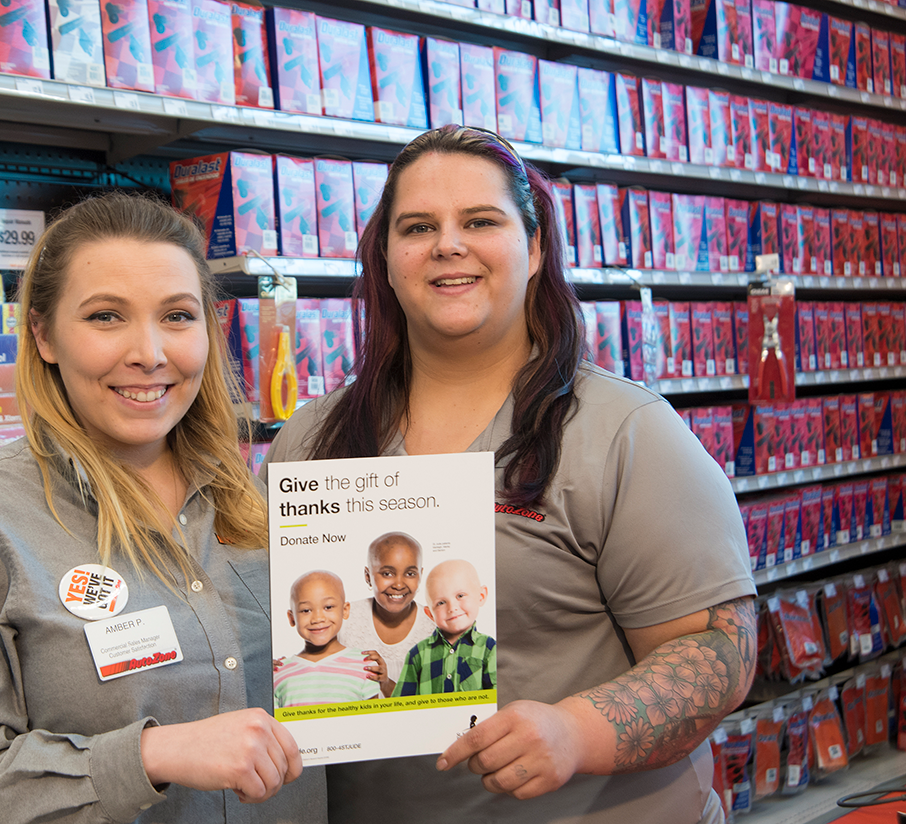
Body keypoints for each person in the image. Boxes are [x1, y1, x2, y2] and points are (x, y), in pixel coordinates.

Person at [261, 125, 757, 824]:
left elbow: (719, 652)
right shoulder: (311, 440)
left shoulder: (624, 432)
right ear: (385, 257)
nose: (448, 244)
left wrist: (580, 732)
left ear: (536, 248)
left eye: (480, 221)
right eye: (418, 226)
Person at [0, 192, 324, 824]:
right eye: (105, 317)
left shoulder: (257, 502)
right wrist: (150, 754)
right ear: (42, 334)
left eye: (177, 316)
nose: (149, 352)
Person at [339, 531, 434, 697]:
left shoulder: (434, 627)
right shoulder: (346, 619)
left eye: (410, 573)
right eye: (387, 573)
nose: (398, 584)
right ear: (368, 576)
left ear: (420, 575)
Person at [274, 570, 381, 708]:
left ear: (345, 610)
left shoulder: (365, 664)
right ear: (292, 617)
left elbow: (375, 721)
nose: (318, 619)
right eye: (306, 610)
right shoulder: (279, 672)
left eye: (328, 607)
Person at [394, 559, 496, 696]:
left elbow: (496, 701)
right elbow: (401, 704)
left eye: (460, 596)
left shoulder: (489, 648)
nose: (452, 608)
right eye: (441, 603)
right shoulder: (417, 654)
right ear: (430, 614)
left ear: (481, 596)